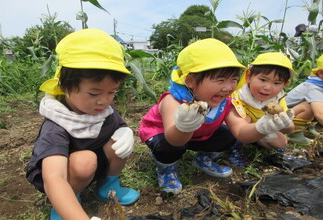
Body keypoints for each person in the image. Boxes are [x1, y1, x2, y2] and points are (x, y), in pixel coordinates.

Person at [138, 39, 294, 194]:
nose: (228, 87)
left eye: (233, 79)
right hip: (167, 134)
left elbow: (241, 132)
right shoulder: (173, 101)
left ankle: (204, 159)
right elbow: (174, 140)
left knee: (228, 135)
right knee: (168, 147)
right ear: (191, 81)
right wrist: (184, 126)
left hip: (198, 134)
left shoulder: (227, 102)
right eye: (220, 80)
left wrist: (262, 127)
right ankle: (166, 167)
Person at [26, 28, 140, 220]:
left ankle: (108, 186)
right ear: (65, 87)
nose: (104, 101)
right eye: (94, 93)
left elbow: (118, 129)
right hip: (68, 175)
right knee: (84, 161)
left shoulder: (102, 112)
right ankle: (66, 203)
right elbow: (54, 178)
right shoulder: (57, 126)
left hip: (94, 165)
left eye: (112, 92)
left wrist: (125, 131)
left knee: (117, 141)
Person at [232, 52, 295, 151]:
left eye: (277, 83)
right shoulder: (238, 97)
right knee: (245, 120)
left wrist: (285, 123)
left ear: (285, 84)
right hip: (240, 130)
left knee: (281, 142)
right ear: (248, 76)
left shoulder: (278, 99)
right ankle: (235, 149)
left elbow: (291, 128)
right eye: (263, 80)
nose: (267, 88)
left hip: (262, 130)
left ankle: (256, 142)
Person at [285, 54, 323, 144]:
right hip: (283, 115)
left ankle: (308, 128)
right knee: (309, 107)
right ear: (321, 73)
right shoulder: (314, 87)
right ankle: (294, 133)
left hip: (291, 114)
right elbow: (320, 114)